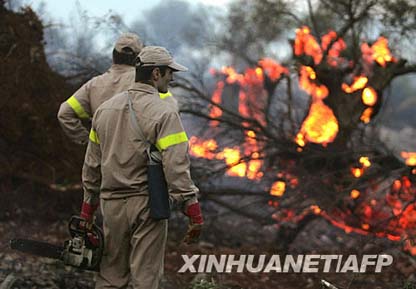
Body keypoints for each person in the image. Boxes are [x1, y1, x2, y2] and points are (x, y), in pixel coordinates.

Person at [80, 46, 203, 289]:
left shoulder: (104, 110)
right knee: (145, 278)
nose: (173, 77)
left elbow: (91, 165)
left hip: (111, 206)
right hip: (147, 205)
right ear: (156, 74)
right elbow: (175, 165)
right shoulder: (164, 112)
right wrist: (192, 207)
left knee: (110, 277)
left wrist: (87, 209)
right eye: (169, 72)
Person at [57, 33, 178, 145]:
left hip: (104, 161)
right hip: (138, 160)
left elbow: (65, 113)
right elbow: (171, 110)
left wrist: (89, 142)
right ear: (139, 59)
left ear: (114, 55)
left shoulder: (94, 85)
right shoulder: (147, 84)